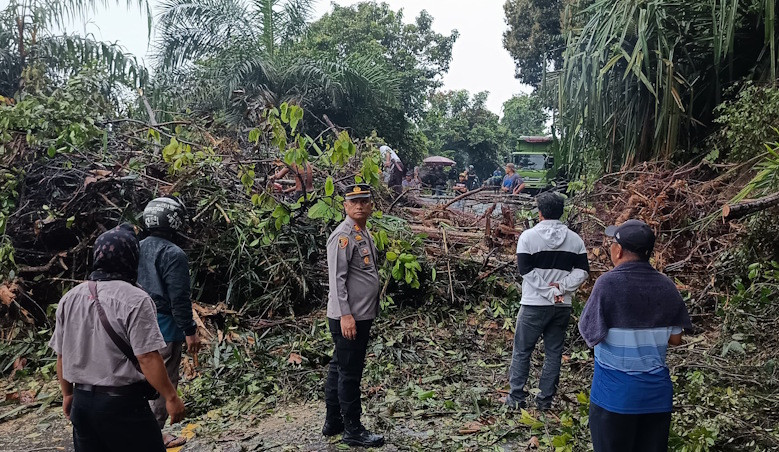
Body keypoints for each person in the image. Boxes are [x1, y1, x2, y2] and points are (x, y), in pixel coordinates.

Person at [50, 225, 185, 452]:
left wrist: (68, 394)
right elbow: (147, 357)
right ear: (132, 259)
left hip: (82, 404)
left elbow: (62, 355)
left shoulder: (70, 298)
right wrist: (171, 397)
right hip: (123, 405)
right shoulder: (136, 299)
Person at [578, 220, 692, 452]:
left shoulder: (607, 284)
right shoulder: (667, 286)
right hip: (656, 399)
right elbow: (676, 340)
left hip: (614, 398)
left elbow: (590, 333)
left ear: (618, 250)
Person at [506, 192, 589, 411]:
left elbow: (525, 270)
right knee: (553, 352)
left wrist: (546, 291)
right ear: (561, 213)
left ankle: (516, 398)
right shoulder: (575, 240)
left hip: (533, 304)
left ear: (539, 212)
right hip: (561, 305)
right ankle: (544, 401)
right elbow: (582, 271)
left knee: (523, 350)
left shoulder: (528, 237)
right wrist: (560, 288)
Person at [323, 184, 384, 448]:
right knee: (350, 373)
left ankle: (333, 421)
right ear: (345, 206)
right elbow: (337, 280)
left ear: (371, 205)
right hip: (350, 318)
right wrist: (346, 316)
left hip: (360, 314)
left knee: (339, 367)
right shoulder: (343, 235)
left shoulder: (361, 231)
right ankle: (353, 430)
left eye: (364, 201)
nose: (359, 206)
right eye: (353, 202)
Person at [138, 197, 200, 448]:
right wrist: (189, 330)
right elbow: (179, 297)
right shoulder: (174, 254)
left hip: (135, 325)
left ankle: (139, 431)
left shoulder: (135, 246)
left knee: (140, 381)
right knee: (164, 380)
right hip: (164, 325)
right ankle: (154, 436)